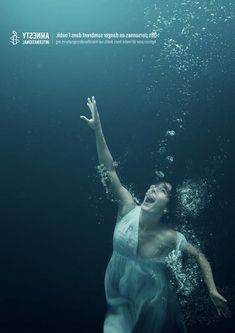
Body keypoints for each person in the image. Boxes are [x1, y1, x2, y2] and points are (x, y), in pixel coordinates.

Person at [80, 96, 231, 333]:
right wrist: (98, 129)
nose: (152, 188)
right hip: (116, 285)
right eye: (153, 186)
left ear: (167, 207)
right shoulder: (128, 206)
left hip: (150, 292)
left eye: (162, 190)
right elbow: (109, 169)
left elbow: (199, 256)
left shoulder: (169, 237)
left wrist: (211, 289)